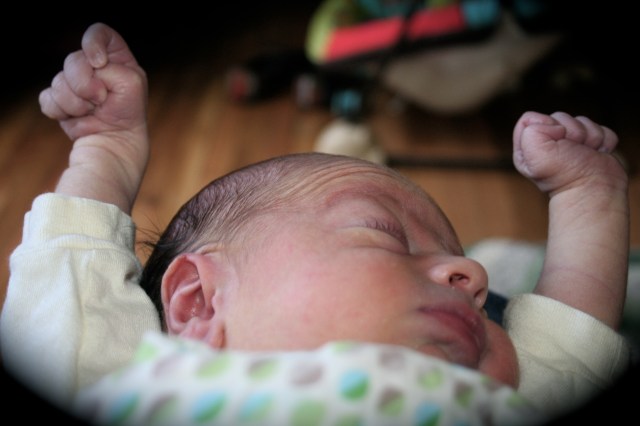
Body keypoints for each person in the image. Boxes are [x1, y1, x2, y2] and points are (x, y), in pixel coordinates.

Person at [0, 22, 631, 425]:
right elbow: (70, 300)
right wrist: (108, 151)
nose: (468, 273)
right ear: (198, 302)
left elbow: (567, 348)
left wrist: (590, 193)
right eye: (386, 236)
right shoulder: (131, 387)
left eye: (457, 260)